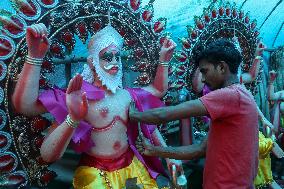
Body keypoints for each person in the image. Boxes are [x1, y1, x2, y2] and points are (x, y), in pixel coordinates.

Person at [12, 22, 180, 189]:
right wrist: (34, 56)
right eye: (107, 57)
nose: (114, 62)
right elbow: (26, 107)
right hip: (95, 172)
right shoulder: (79, 95)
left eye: (117, 56)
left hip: (131, 167)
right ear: (92, 62)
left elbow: (158, 91)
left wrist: (169, 155)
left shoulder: (128, 95)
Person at [129, 38, 259, 189]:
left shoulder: (229, 95)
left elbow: (166, 114)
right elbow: (200, 149)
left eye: (205, 71)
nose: (203, 79)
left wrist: (134, 115)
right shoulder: (243, 94)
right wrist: (154, 150)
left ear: (222, 67)